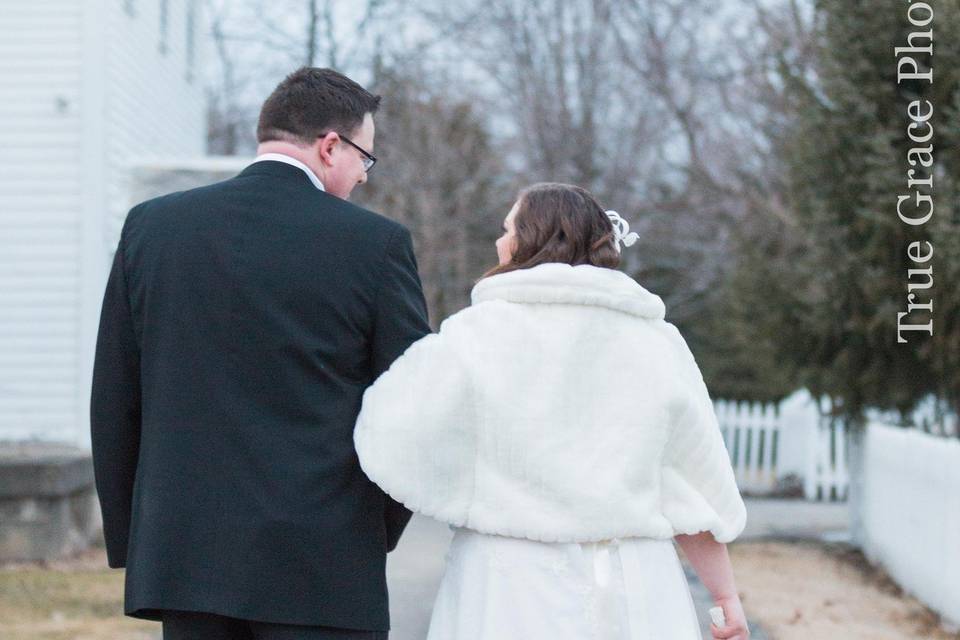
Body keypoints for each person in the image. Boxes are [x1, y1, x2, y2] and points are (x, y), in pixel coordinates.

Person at [90, 67, 431, 640]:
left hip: (185, 555)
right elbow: (412, 404)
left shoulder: (153, 228)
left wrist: (138, 537)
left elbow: (115, 396)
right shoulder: (375, 245)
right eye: (364, 161)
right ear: (330, 146)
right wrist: (374, 530)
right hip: (323, 561)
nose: (362, 179)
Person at [354, 183, 752, 640]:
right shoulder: (656, 342)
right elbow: (690, 484)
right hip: (633, 581)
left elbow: (391, 433)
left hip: (506, 582)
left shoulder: (475, 336)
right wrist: (725, 597)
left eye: (507, 228)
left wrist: (457, 493)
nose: (499, 242)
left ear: (531, 238)